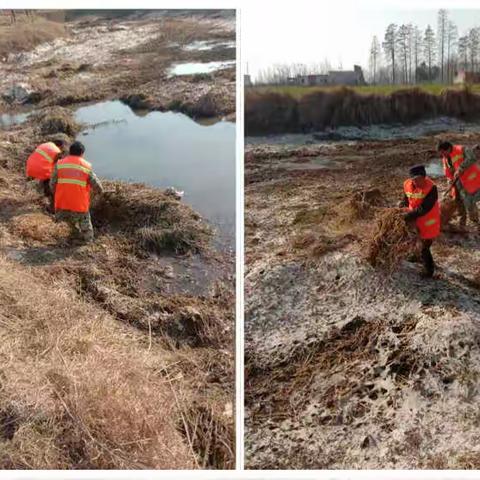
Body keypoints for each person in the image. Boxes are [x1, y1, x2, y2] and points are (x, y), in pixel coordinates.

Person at [50, 141, 103, 243]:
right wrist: (98, 193)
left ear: (70, 152)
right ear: (82, 153)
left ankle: (62, 241)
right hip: (79, 205)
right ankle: (87, 243)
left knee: (62, 226)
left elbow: (52, 184)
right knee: (86, 228)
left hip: (62, 203)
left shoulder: (59, 164)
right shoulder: (86, 167)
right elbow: (98, 186)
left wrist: (56, 195)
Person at [400, 165, 440, 278]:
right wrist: (401, 208)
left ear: (424, 177)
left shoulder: (431, 188)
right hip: (414, 218)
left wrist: (408, 216)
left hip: (429, 220)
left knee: (424, 246)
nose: (417, 182)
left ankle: (429, 270)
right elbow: (406, 199)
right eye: (415, 180)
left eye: (419, 179)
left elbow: (425, 208)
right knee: (413, 239)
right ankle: (415, 255)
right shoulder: (407, 184)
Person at [438, 141, 480, 229]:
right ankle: (462, 224)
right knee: (458, 202)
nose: (442, 155)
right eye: (440, 153)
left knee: (469, 203)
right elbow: (448, 173)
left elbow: (473, 157)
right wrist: (450, 182)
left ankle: (476, 222)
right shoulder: (445, 159)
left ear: (448, 149)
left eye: (443, 152)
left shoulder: (461, 149)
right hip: (458, 183)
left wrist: (461, 168)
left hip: (471, 180)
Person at [26, 139, 65, 212]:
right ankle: (52, 208)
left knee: (46, 174)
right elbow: (58, 168)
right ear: (60, 146)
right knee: (54, 186)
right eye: (62, 148)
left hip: (29, 167)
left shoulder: (44, 145)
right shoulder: (57, 151)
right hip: (41, 170)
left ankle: (43, 191)